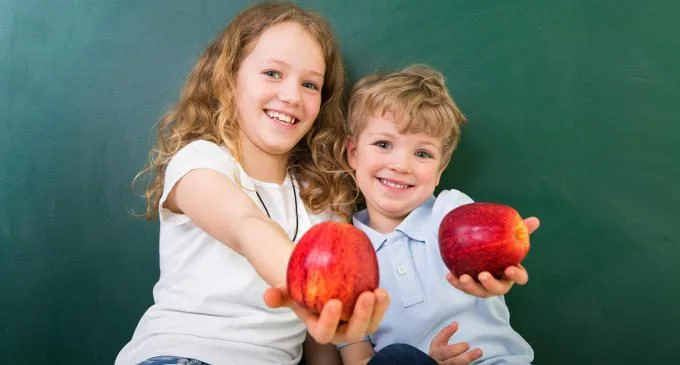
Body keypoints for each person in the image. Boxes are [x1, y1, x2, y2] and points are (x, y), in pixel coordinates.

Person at [115, 3, 388, 365]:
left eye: (309, 84)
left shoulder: (321, 197)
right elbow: (247, 226)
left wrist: (331, 315)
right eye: (273, 73)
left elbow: (318, 338)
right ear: (228, 79)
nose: (291, 95)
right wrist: (308, 290)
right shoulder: (199, 162)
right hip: (183, 355)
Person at [337, 65, 539, 365]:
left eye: (422, 154)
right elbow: (358, 359)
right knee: (397, 358)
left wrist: (500, 263)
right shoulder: (345, 257)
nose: (401, 165)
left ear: (439, 171)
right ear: (353, 153)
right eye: (383, 144)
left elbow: (488, 260)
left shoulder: (451, 212)